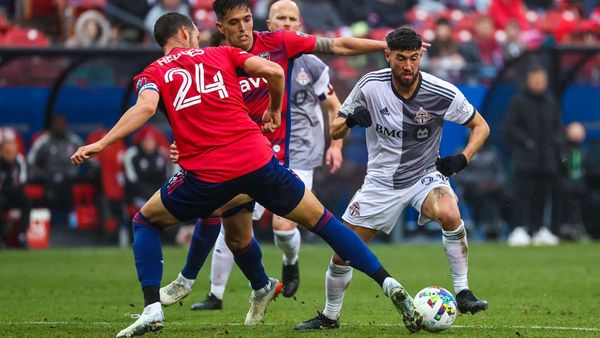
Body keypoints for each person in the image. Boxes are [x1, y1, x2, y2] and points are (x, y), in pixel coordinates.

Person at [70, 12, 423, 337]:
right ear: (185, 33)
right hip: (258, 161)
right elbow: (274, 72)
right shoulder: (221, 54)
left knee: (145, 221)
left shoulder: (152, 73)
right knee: (323, 223)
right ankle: (388, 282)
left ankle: (154, 306)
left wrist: (102, 143)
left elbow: (145, 108)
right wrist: (274, 109)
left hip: (208, 174)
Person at [159, 0, 429, 312]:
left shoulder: (279, 44)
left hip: (273, 160)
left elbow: (338, 45)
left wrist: (389, 44)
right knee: (235, 237)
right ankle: (254, 286)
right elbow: (191, 108)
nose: (244, 28)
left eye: (248, 19)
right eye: (235, 22)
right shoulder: (211, 58)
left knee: (284, 222)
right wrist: (185, 143)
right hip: (230, 158)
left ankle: (191, 279)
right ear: (220, 27)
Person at [295, 27, 490, 330]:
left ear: (421, 56)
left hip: (425, 176)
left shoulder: (441, 91)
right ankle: (330, 316)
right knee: (343, 253)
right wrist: (350, 121)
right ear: (388, 56)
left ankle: (463, 291)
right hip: (381, 182)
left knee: (450, 212)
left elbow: (481, 126)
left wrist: (462, 158)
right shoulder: (370, 86)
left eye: (414, 58)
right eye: (401, 58)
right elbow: (335, 129)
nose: (408, 66)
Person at [187, 0, 344, 311]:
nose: (286, 23)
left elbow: (332, 104)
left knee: (283, 227)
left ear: (299, 24)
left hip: (298, 153)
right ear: (268, 25)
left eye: (291, 19)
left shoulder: (312, 66)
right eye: (280, 18)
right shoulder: (241, 60)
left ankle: (290, 261)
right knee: (231, 221)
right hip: (253, 152)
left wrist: (335, 144)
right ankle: (215, 294)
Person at [504, 66, 563, 246]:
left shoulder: (551, 101)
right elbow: (510, 127)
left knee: (543, 196)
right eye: (536, 80)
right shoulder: (519, 101)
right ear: (529, 80)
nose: (539, 84)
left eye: (542, 80)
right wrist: (525, 142)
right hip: (525, 159)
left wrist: (554, 145)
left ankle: (540, 230)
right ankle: (519, 229)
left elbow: (556, 127)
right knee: (522, 195)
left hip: (547, 159)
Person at [0, 128, 29, 248]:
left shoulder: (19, 161)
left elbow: (22, 181)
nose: (11, 155)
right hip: (2, 194)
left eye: (13, 152)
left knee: (27, 202)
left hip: (14, 192)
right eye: (8, 152)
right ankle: (1, 238)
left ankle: (22, 236)